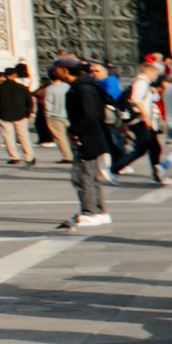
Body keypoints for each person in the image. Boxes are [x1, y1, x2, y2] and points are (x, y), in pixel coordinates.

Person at [63, 60, 112, 227]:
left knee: (83, 175)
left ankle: (90, 212)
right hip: (92, 135)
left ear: (64, 70)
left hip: (88, 136)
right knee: (90, 174)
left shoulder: (83, 88)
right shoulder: (86, 86)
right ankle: (99, 210)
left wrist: (74, 129)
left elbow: (90, 114)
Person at [0, 66, 36, 165]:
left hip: (4, 114)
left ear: (5, 76)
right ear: (15, 75)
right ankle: (28, 156)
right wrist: (28, 112)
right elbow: (29, 101)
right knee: (23, 136)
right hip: (20, 114)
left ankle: (14, 157)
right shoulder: (22, 88)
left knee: (8, 136)